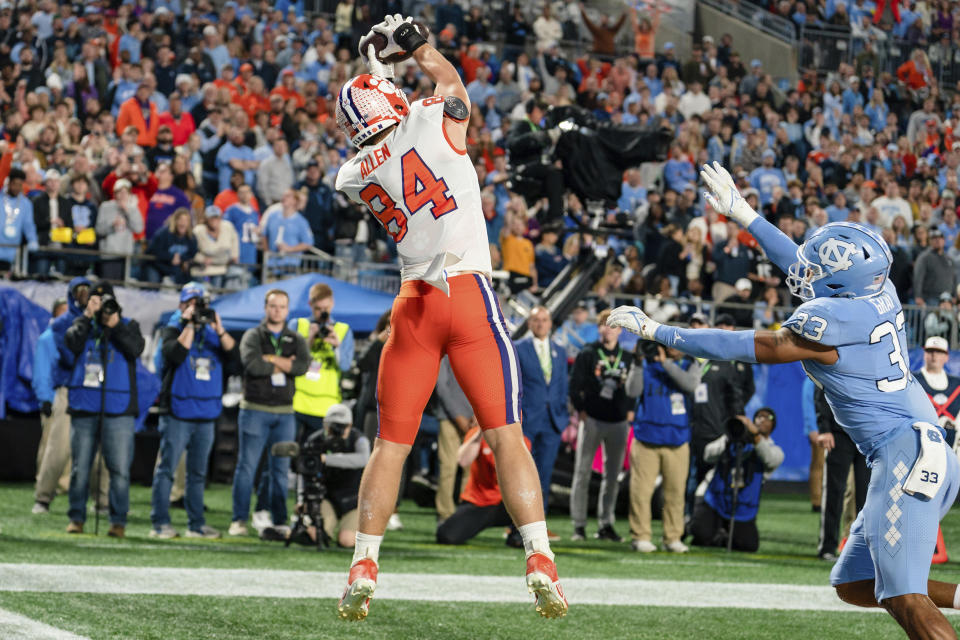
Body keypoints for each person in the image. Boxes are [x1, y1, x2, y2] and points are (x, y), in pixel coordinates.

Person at [608, 161, 960, 637]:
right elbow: (802, 268)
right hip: (923, 446)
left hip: (904, 456)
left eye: (821, 269)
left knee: (903, 596)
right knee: (855, 582)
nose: (807, 270)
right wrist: (742, 213)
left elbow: (750, 345)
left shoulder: (830, 323)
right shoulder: (881, 291)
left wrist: (658, 330)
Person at [333, 15, 566, 620]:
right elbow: (451, 84)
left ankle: (363, 560)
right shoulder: (430, 120)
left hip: (412, 305)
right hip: (466, 294)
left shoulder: (352, 174)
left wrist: (377, 70)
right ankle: (539, 555)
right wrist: (414, 45)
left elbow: (380, 129)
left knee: (391, 445)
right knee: (504, 433)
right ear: (394, 101)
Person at [150, 282, 237, 539]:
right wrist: (188, 323)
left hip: (206, 413)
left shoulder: (213, 333)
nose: (197, 308)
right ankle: (159, 523)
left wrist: (219, 328)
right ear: (181, 305)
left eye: (201, 303)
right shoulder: (172, 329)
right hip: (178, 412)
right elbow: (173, 356)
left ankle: (196, 524)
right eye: (192, 302)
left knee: (198, 473)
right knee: (167, 469)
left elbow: (235, 360)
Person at [64, 281, 145, 537]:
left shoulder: (128, 325)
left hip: (119, 409)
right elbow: (71, 345)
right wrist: (88, 316)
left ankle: (118, 521)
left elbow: (136, 349)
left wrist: (116, 325)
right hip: (85, 407)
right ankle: (76, 517)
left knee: (119, 469)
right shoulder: (82, 324)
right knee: (80, 468)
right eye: (96, 301)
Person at [229, 289, 309, 537]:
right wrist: (285, 362)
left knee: (280, 471)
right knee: (247, 467)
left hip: (285, 413)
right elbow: (253, 365)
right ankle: (239, 520)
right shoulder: (252, 335)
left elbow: (302, 366)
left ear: (287, 310)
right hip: (255, 410)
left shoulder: (296, 338)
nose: (277, 311)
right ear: (266, 308)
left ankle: (279, 520)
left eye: (282, 307)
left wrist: (271, 359)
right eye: (273, 306)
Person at [568, 309, 642, 542]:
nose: (607, 329)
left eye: (611, 325)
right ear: (598, 328)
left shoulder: (627, 357)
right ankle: (579, 525)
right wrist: (581, 409)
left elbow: (633, 390)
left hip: (618, 422)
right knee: (582, 473)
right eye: (603, 325)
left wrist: (629, 412)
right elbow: (574, 384)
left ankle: (605, 524)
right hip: (592, 419)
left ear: (620, 330)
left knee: (612, 477)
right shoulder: (588, 353)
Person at [629, 341, 702, 553]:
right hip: (646, 438)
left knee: (675, 493)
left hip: (677, 439)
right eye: (668, 343)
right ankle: (640, 536)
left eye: (676, 343)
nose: (671, 347)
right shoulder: (645, 365)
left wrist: (666, 364)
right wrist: (637, 362)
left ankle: (672, 537)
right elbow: (632, 391)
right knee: (640, 492)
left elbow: (690, 385)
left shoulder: (691, 364)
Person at [689, 408, 784, 552]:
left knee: (748, 545)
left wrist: (756, 437)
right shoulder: (733, 438)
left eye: (767, 417)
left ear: (773, 425)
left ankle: (722, 535)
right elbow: (708, 455)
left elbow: (770, 460)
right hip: (715, 499)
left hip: (743, 506)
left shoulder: (774, 449)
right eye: (758, 416)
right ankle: (713, 531)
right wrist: (729, 437)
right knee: (699, 533)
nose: (761, 419)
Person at [514, 306, 568, 521]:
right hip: (527, 419)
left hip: (552, 421)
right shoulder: (518, 348)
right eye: (536, 320)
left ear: (550, 323)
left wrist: (563, 416)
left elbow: (562, 385)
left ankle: (540, 525)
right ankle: (518, 523)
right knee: (521, 474)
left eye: (544, 320)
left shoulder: (560, 350)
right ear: (529, 323)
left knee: (544, 474)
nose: (540, 324)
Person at [436, 425, 532, 545]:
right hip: (479, 502)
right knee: (446, 536)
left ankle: (517, 533)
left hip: (506, 502)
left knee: (531, 497)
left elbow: (513, 477)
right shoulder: (476, 434)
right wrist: (480, 434)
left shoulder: (521, 440)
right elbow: (463, 461)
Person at [815, 384, 868, 561]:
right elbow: (822, 391)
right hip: (838, 435)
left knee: (867, 496)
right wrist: (824, 428)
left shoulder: (874, 361)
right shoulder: (837, 358)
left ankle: (862, 549)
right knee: (834, 491)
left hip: (866, 435)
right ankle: (827, 546)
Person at [914, 336, 960, 449]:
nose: (934, 355)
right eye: (930, 351)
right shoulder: (913, 381)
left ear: (946, 357)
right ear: (924, 354)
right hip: (921, 442)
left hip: (952, 445)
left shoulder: (957, 384)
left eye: (939, 352)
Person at [0, 167, 38, 271]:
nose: (17, 187)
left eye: (20, 185)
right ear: (8, 183)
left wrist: (32, 240)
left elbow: (28, 224)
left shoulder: (26, 203)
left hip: (12, 252)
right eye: (14, 184)